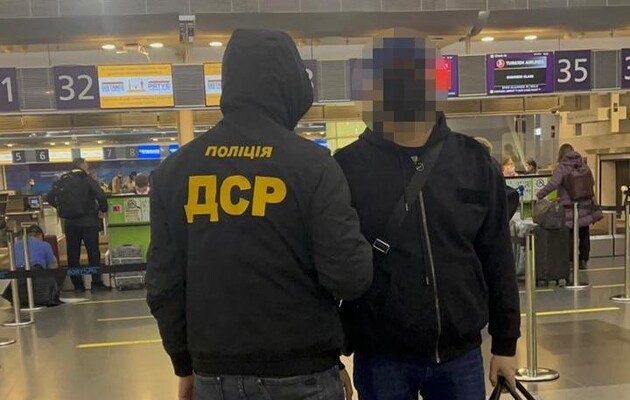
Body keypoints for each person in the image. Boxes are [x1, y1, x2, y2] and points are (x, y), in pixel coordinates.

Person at [146, 29, 373, 400]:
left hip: (213, 375)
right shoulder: (313, 166)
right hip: (303, 372)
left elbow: (163, 284)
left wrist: (183, 364)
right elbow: (349, 276)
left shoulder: (175, 172)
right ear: (290, 85)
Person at [334, 32, 520, 400]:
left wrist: (505, 343)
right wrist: (331, 354)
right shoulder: (347, 169)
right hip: (381, 355)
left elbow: (497, 256)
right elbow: (328, 267)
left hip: (460, 354)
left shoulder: (473, 162)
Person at [46, 158, 109, 292]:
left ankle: (78, 285)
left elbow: (49, 197)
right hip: (89, 221)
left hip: (70, 223)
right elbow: (101, 195)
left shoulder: (63, 180)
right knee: (93, 253)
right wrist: (102, 210)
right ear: (82, 166)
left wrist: (60, 208)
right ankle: (96, 283)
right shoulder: (87, 179)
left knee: (73, 254)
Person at [536, 144, 603, 270]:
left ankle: (571, 261)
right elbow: (591, 182)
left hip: (569, 208)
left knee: (569, 235)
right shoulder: (583, 165)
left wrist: (540, 195)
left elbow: (553, 184)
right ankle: (583, 259)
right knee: (584, 232)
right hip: (586, 205)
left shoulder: (562, 167)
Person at [2, 225, 61, 307]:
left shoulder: (15, 245)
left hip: (18, 283)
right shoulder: (45, 245)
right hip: (39, 283)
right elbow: (53, 267)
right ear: (40, 235)